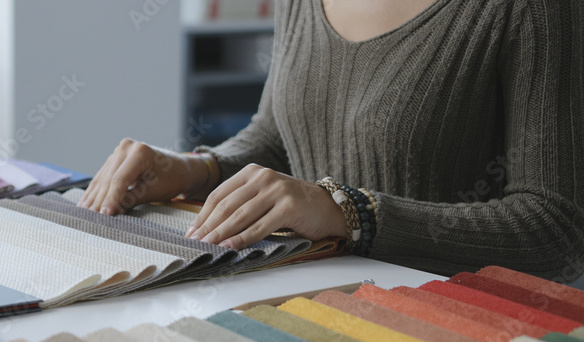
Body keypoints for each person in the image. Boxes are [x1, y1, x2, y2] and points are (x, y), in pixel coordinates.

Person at [79, 0, 583, 282]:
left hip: (464, 337)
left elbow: (558, 230)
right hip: (319, 303)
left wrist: (349, 213)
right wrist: (195, 168)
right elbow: (278, 139)